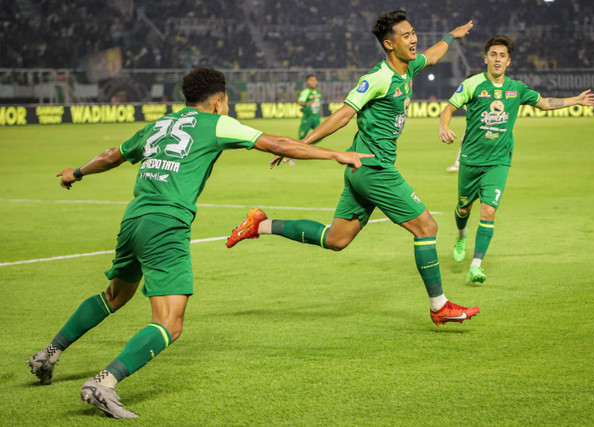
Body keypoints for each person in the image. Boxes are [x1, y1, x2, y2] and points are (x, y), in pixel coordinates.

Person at [27, 67, 372, 419]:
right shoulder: (217, 123)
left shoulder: (160, 124)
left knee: (115, 295)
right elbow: (277, 143)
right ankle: (104, 382)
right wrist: (336, 155)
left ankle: (49, 353)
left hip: (133, 219)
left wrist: (77, 172)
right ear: (219, 100)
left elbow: (112, 154)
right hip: (166, 224)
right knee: (170, 322)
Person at [226, 10, 479, 327]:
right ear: (389, 44)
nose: (414, 39)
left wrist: (451, 36)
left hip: (360, 167)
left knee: (336, 239)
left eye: (413, 32)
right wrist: (301, 144)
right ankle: (439, 306)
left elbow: (431, 56)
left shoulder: (408, 67)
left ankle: (260, 225)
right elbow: (342, 115)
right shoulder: (376, 79)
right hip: (374, 168)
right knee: (427, 228)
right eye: (406, 35)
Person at [439, 35, 594, 284]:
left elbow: (545, 103)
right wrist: (444, 127)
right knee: (462, 209)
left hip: (499, 161)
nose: (498, 59)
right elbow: (449, 108)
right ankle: (461, 235)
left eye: (502, 55)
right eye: (493, 54)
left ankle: (476, 265)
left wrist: (575, 100)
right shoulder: (472, 84)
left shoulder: (518, 89)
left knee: (488, 211)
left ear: (509, 61)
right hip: (471, 160)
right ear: (486, 58)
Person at [298, 74, 323, 140]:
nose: (314, 82)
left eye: (315, 80)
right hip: (307, 118)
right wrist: (307, 104)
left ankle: (309, 145)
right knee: (302, 137)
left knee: (322, 134)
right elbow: (300, 102)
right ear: (307, 82)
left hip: (316, 118)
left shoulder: (318, 92)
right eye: (311, 80)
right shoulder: (305, 92)